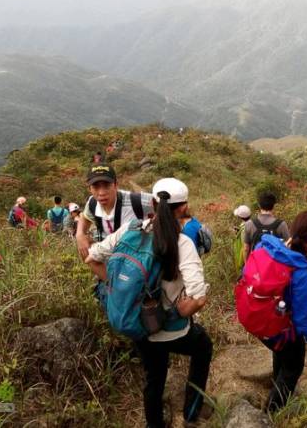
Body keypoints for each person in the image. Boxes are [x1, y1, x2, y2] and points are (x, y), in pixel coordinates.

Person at [85, 178, 212, 428]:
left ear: (153, 203)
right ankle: (191, 414)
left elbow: (92, 256)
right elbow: (198, 296)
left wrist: (113, 287)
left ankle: (154, 424)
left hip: (138, 325)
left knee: (154, 378)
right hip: (173, 331)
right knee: (204, 348)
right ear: (183, 207)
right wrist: (179, 311)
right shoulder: (183, 243)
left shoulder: (131, 228)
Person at [251, 211, 307, 412]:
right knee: (292, 368)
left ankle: (276, 385)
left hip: (261, 319)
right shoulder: (299, 268)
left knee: (281, 354)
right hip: (284, 326)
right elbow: (302, 317)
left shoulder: (267, 248)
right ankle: (272, 412)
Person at [76, 163, 153, 260]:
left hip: (139, 258)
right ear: (89, 188)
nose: (101, 193)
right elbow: (85, 217)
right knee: (87, 252)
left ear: (116, 185)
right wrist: (80, 234)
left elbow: (167, 204)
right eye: (96, 187)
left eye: (107, 186)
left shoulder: (136, 201)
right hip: (112, 255)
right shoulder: (92, 203)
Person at [242, 191, 290, 261]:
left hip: (256, 265)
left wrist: (247, 265)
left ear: (259, 205)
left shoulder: (249, 224)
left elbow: (246, 248)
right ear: (273, 205)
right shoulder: (281, 224)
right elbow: (288, 246)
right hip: (275, 265)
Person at [232, 205, 251, 273]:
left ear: (240, 217)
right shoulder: (252, 223)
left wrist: (245, 264)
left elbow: (245, 247)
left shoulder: (244, 229)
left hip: (246, 258)